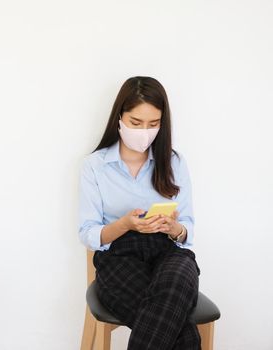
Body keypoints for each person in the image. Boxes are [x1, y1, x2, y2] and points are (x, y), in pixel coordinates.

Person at [79, 76, 200, 349]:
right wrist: (124, 224)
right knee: (182, 333)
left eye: (153, 124)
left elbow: (188, 228)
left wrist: (174, 229)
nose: (144, 131)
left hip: (167, 250)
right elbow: (87, 233)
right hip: (120, 256)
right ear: (119, 117)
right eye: (136, 123)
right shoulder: (95, 166)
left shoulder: (173, 162)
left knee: (178, 278)